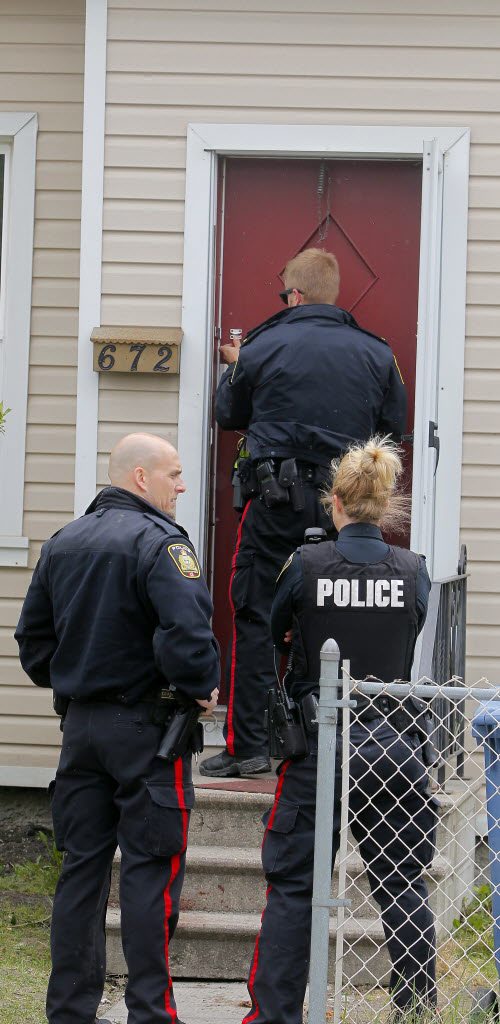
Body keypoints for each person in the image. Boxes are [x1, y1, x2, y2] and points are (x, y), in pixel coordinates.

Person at [15, 433, 220, 1024]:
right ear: (140, 478)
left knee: (81, 869)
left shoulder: (63, 543)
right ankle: (149, 1013)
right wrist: (198, 687)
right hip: (148, 733)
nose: (181, 486)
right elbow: (188, 637)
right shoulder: (162, 545)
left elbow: (32, 645)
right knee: (150, 872)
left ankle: (70, 1012)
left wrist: (78, 675)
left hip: (80, 730)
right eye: (175, 475)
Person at [242, 436, 437, 1024]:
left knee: (294, 887)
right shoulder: (414, 571)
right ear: (387, 505)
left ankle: (276, 1015)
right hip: (394, 745)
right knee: (402, 881)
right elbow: (412, 629)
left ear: (335, 503)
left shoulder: (304, 565)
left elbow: (277, 628)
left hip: (317, 745)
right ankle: (416, 1007)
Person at [200, 248, 407, 778]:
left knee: (254, 612)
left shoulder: (263, 345)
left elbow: (229, 413)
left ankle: (248, 747)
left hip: (275, 503)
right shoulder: (376, 353)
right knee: (344, 611)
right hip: (346, 505)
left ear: (293, 295)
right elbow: (394, 429)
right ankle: (344, 746)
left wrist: (238, 364)